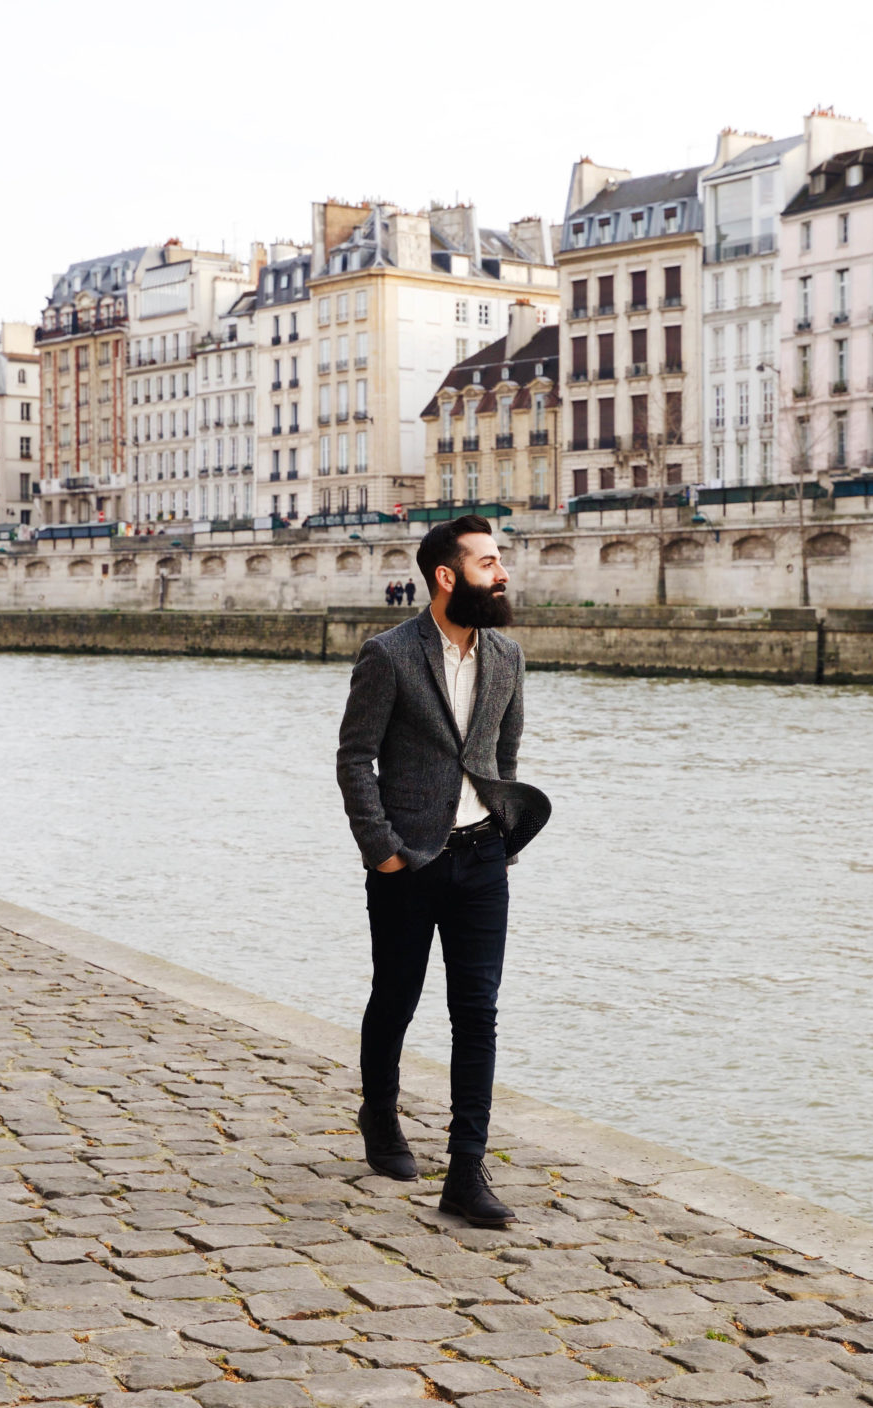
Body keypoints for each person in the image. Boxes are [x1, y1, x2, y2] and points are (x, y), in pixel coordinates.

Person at [336, 515, 551, 1228]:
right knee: (395, 996)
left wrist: (506, 836)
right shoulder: (389, 656)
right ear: (447, 577)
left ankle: (465, 1170)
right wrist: (383, 850)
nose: (503, 574)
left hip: (484, 859)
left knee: (477, 1014)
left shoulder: (509, 657)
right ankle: (381, 1114)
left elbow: (504, 756)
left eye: (501, 561)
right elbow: (354, 758)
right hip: (409, 861)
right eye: (489, 563)